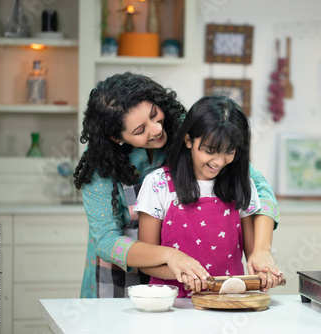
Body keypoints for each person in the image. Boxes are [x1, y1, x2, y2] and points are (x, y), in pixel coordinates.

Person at [74, 72, 281, 298]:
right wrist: (168, 256)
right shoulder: (99, 165)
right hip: (120, 276)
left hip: (190, 278)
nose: (156, 129)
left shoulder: (188, 132)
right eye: (140, 130)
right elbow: (106, 240)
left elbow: (257, 187)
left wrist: (261, 251)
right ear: (117, 137)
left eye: (154, 114)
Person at [134, 95, 281, 297]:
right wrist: (183, 275)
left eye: (229, 151)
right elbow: (146, 262)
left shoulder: (241, 183)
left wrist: (264, 270)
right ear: (188, 140)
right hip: (172, 304)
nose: (219, 162)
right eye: (210, 150)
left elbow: (253, 254)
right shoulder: (157, 184)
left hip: (228, 303)